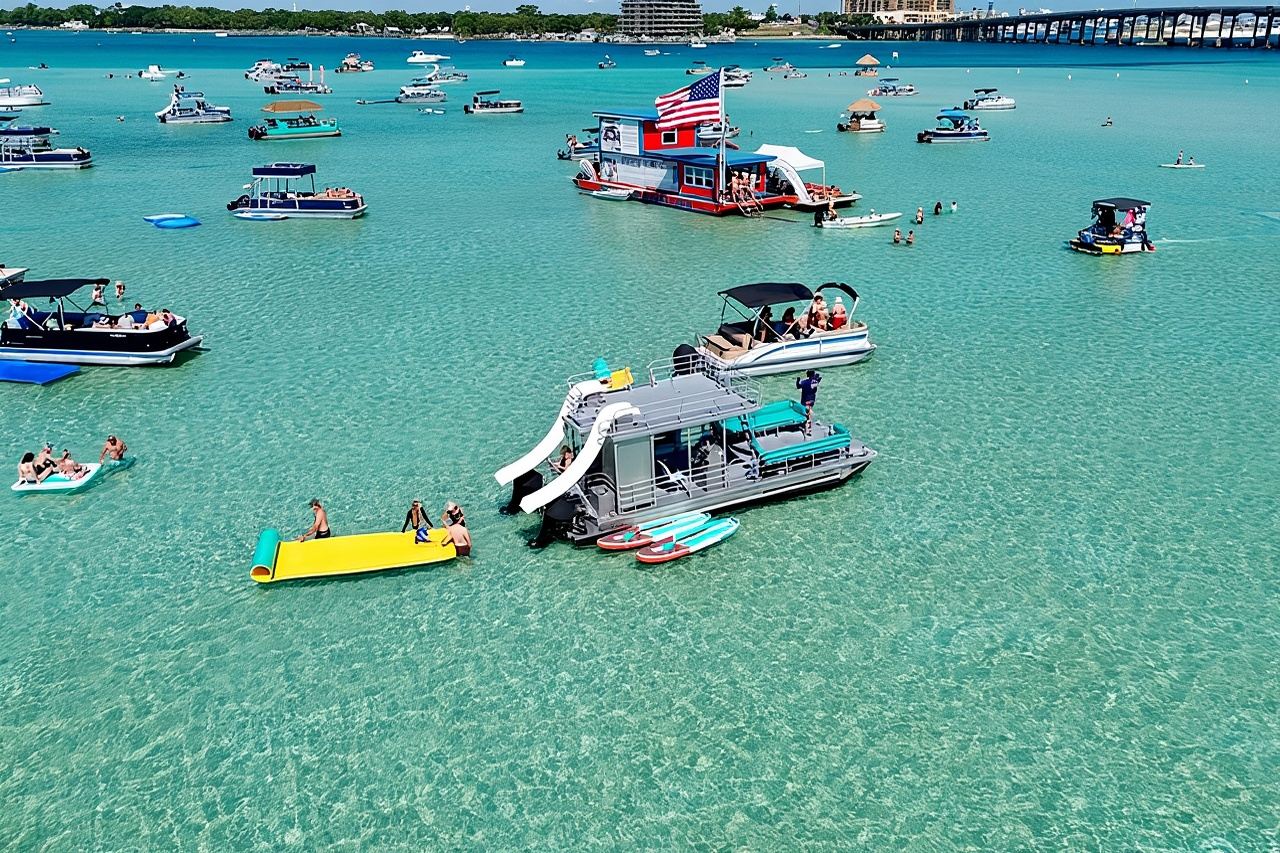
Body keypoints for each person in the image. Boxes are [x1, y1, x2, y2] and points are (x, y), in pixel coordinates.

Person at [796, 369, 821, 435]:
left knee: (807, 415)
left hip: (805, 401)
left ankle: (808, 429)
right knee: (808, 412)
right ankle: (809, 426)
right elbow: (818, 380)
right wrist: (816, 377)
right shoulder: (815, 382)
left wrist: (797, 380)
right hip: (812, 400)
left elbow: (798, 386)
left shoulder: (804, 382)